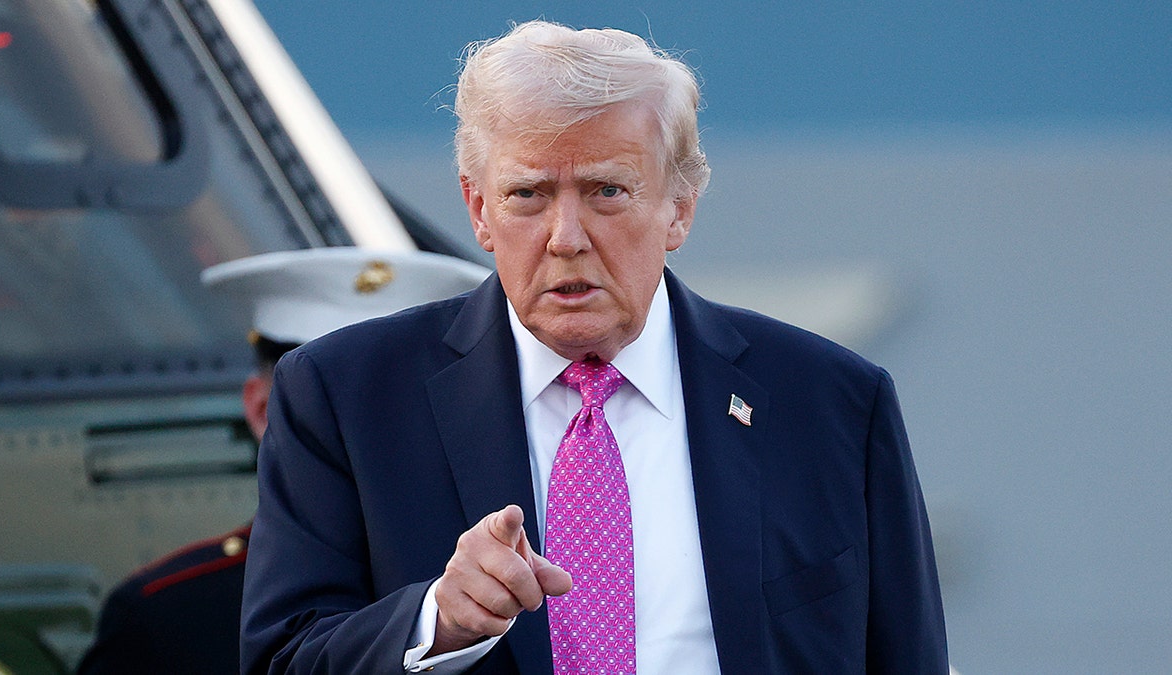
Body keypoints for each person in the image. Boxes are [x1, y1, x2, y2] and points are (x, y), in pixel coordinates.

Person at [241, 20, 948, 675]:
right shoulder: (346, 396)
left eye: (607, 190)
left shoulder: (831, 403)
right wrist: (436, 621)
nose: (566, 238)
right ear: (479, 208)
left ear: (679, 208)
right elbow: (282, 658)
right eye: (528, 194)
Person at [76, 248, 489, 675]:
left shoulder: (505, 590)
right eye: (323, 404)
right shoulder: (168, 618)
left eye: (398, 405)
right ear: (261, 410)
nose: (367, 431)